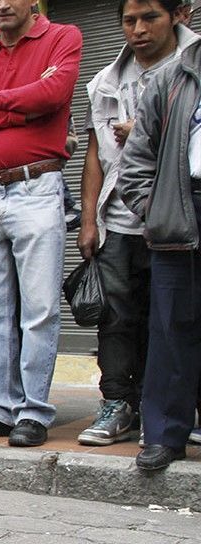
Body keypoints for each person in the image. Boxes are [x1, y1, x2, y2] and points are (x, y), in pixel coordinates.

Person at [0, 0, 82, 447]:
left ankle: (32, 411)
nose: (1, 4)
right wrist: (24, 106)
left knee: (39, 307)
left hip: (37, 186)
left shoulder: (62, 37)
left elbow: (54, 95)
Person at [78, 0, 195, 447]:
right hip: (119, 220)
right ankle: (117, 403)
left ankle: (165, 408)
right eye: (130, 21)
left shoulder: (192, 67)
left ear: (179, 16)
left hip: (177, 216)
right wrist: (89, 221)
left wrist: (148, 129)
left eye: (151, 18)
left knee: (172, 317)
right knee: (116, 316)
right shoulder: (106, 81)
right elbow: (94, 154)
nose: (139, 29)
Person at [118, 0, 201, 470]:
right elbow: (135, 164)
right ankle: (166, 436)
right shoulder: (174, 78)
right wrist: (157, 210)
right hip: (181, 210)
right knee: (171, 330)